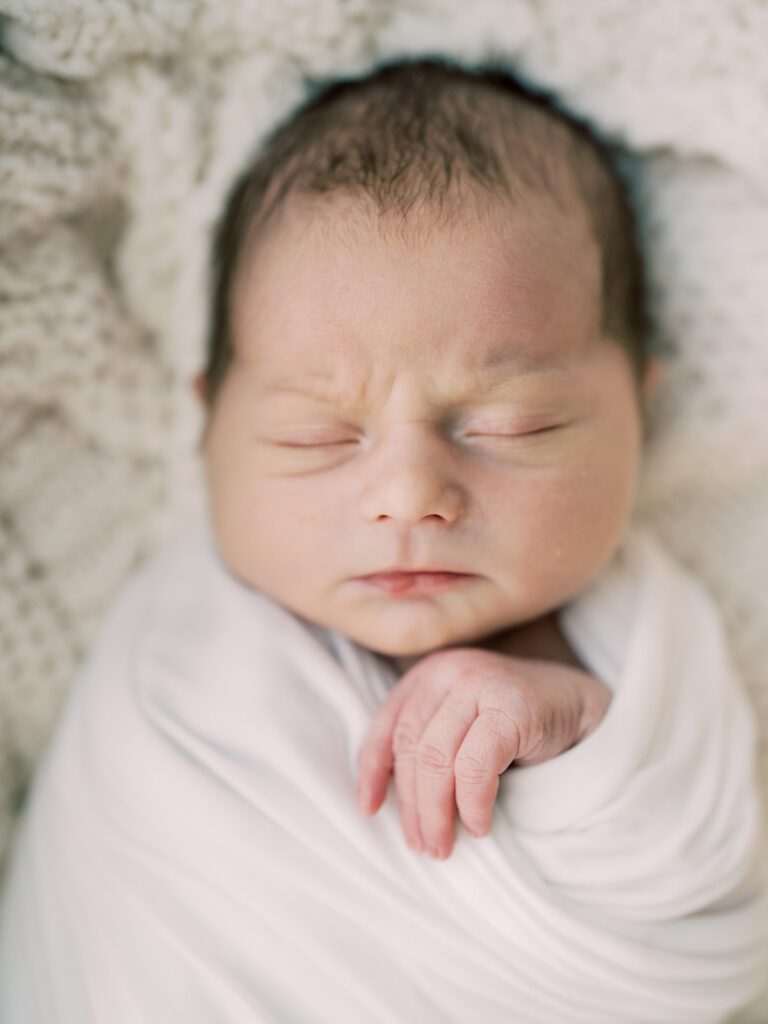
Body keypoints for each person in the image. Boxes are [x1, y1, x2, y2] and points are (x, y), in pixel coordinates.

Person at [0, 58, 765, 1023]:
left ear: (638, 414)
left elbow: (698, 894)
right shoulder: (171, 667)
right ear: (209, 429)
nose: (408, 495)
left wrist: (567, 716)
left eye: (513, 423)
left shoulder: (644, 639)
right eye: (315, 437)